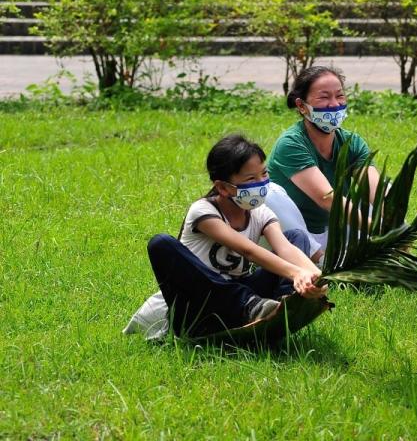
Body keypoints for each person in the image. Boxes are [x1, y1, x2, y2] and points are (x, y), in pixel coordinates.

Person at [127, 134, 326, 341]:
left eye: (264, 174)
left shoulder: (260, 211)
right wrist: (296, 272)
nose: (261, 183)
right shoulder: (202, 211)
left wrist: (315, 277)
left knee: (295, 237)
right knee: (161, 244)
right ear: (222, 187)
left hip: (241, 298)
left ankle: (285, 309)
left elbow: (285, 248)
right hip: (199, 306)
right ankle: (256, 311)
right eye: (250, 179)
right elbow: (248, 250)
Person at [266, 66, 380, 260]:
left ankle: (353, 257)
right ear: (301, 106)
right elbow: (327, 198)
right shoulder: (291, 144)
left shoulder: (352, 142)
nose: (334, 104)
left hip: (335, 231)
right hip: (295, 236)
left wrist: (396, 227)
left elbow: (376, 191)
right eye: (324, 97)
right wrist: (377, 229)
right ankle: (317, 259)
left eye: (340, 96)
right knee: (269, 194)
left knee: (386, 193)